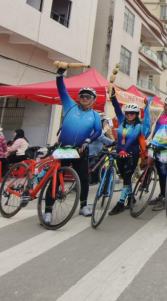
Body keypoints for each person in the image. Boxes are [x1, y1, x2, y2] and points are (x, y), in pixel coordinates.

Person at [44, 69, 102, 224]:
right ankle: (48, 210)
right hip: (63, 148)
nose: (84, 98)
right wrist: (59, 75)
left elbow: (98, 131)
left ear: (93, 100)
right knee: (56, 179)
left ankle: (83, 206)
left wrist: (88, 141)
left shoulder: (95, 115)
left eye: (88, 96)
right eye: (82, 96)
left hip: (80, 150)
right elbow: (61, 89)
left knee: (83, 179)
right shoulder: (70, 106)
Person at [108, 96, 151, 216]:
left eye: (132, 113)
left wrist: (125, 150)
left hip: (132, 154)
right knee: (125, 177)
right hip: (120, 153)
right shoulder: (122, 121)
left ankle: (121, 203)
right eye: (127, 113)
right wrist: (113, 98)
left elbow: (132, 138)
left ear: (137, 114)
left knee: (127, 176)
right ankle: (131, 197)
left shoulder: (138, 125)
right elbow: (117, 109)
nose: (129, 115)